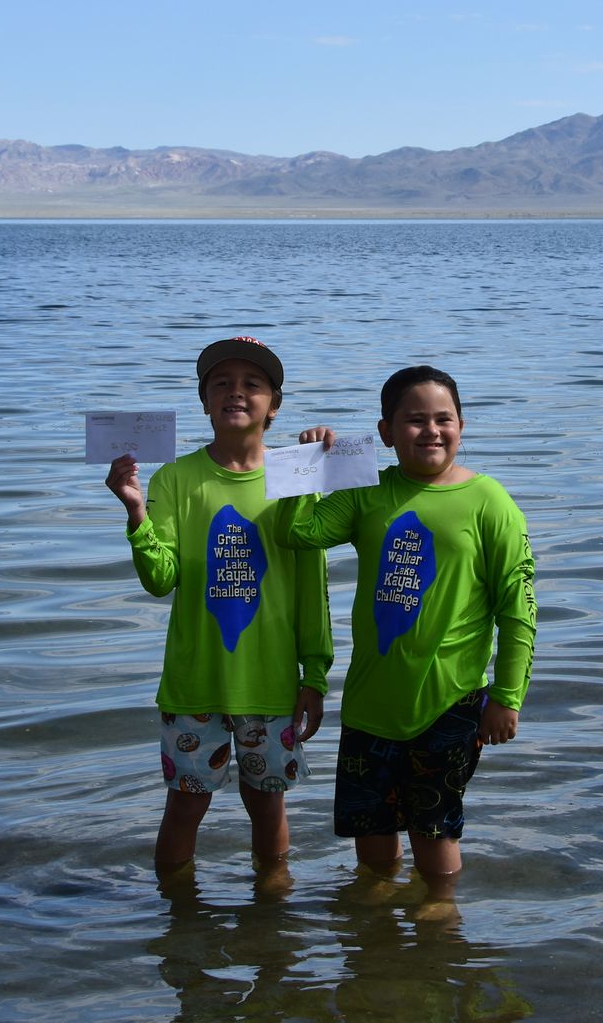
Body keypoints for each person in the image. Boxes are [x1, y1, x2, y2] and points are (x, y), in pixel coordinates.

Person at [290, 365, 536, 883]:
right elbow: (301, 533)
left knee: (435, 832)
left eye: (443, 419)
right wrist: (308, 466)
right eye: (414, 420)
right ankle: (376, 941)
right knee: (372, 840)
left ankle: (440, 934)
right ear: (385, 432)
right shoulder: (366, 493)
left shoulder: (489, 502)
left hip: (449, 702)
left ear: (462, 426)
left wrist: (508, 696)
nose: (431, 431)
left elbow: (518, 609)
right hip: (369, 704)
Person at [104, 336, 331, 877]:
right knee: (185, 805)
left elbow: (311, 586)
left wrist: (315, 675)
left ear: (273, 405)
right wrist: (135, 513)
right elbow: (160, 580)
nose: (236, 392)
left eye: (252, 384)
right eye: (221, 383)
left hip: (271, 684)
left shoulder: (296, 476)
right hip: (194, 683)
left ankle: (272, 922)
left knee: (267, 804)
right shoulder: (176, 479)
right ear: (204, 401)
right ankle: (177, 928)